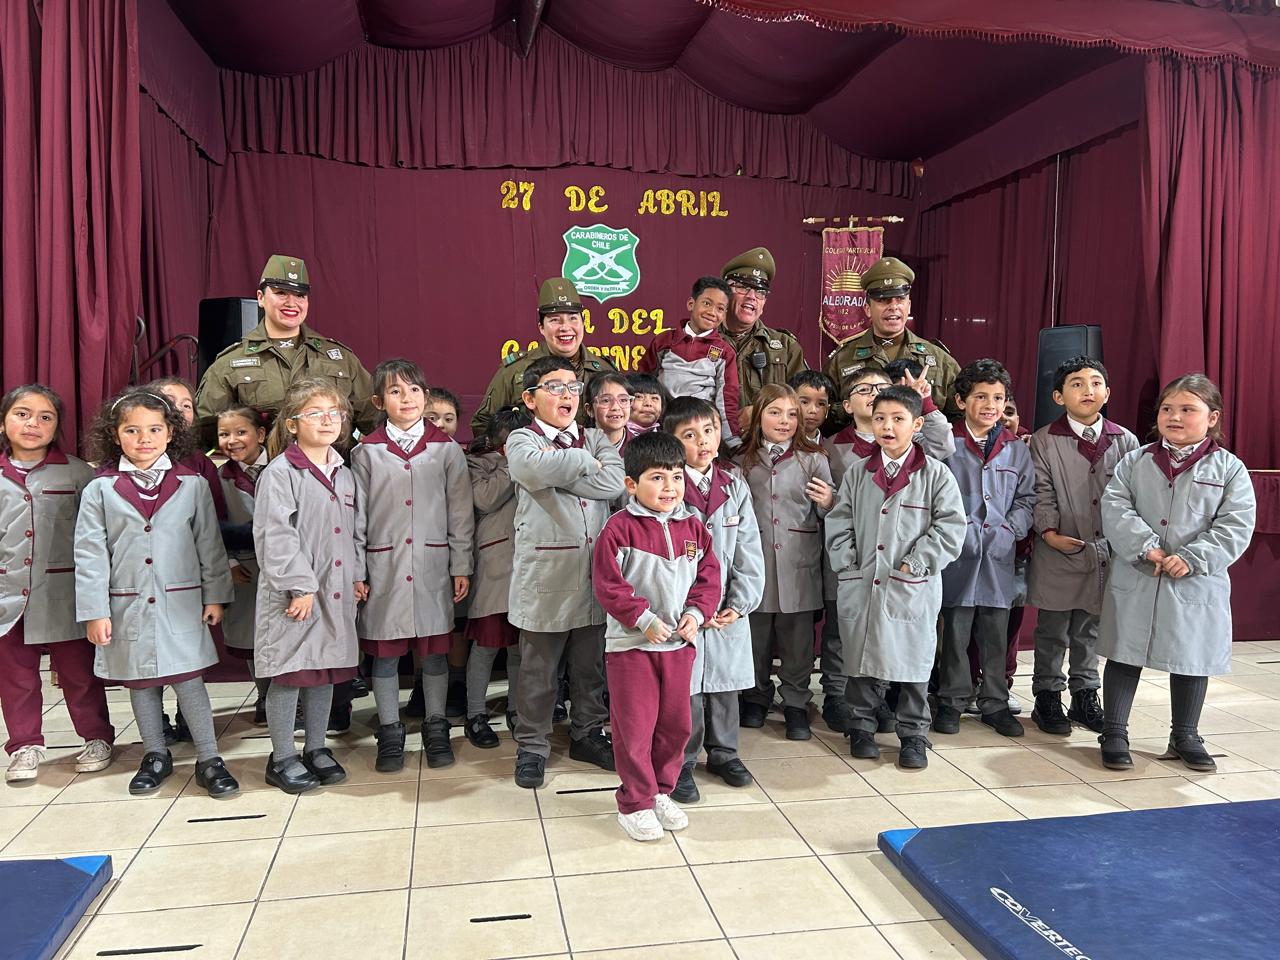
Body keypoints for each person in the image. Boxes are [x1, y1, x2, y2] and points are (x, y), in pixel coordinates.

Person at [76, 389, 237, 798]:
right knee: (141, 682)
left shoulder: (192, 484)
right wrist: (95, 610)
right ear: (115, 435)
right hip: (125, 602)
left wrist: (215, 595)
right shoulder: (100, 489)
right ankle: (155, 754)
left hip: (181, 602)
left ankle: (209, 758)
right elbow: (90, 553)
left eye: (154, 429)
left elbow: (209, 545)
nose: (144, 438)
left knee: (189, 680)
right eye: (132, 430)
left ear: (170, 433)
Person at [1097, 374, 1256, 773]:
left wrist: (1193, 557)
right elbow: (1115, 507)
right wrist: (1145, 545)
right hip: (1140, 572)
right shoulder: (1136, 461)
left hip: (1194, 580)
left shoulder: (1229, 469)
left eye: (1188, 409)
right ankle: (1114, 733)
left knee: (1191, 655)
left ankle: (1185, 735)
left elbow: (1236, 525)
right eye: (1167, 408)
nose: (1175, 417)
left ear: (1212, 417)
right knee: (1125, 651)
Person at [591, 431, 721, 840]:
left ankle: (661, 791)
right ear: (631, 484)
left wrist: (696, 614)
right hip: (632, 648)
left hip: (679, 647)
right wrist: (643, 619)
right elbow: (608, 586)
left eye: (677, 477)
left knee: (676, 725)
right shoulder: (618, 529)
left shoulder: (693, 526)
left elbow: (708, 578)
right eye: (657, 478)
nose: (670, 487)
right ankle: (635, 803)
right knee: (635, 727)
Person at [826, 386, 965, 769]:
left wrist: (916, 564)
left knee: (913, 664)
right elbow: (839, 520)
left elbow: (951, 528)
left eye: (898, 419)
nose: (887, 427)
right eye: (880, 418)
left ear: (916, 425)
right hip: (863, 583)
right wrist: (847, 562)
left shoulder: (936, 475)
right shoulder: (858, 472)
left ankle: (913, 734)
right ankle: (861, 727)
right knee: (861, 660)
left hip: (911, 587)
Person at [506, 356, 626, 788]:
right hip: (546, 572)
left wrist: (557, 468)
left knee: (589, 666)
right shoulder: (522, 438)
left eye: (573, 388)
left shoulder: (595, 437)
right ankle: (532, 746)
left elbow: (613, 484)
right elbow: (529, 468)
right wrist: (582, 463)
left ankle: (587, 734)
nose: (567, 395)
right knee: (538, 671)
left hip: (594, 572)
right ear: (530, 398)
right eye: (555, 387)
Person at [352, 360, 474, 773]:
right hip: (383, 566)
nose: (407, 399)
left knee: (435, 652)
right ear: (378, 402)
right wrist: (358, 570)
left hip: (432, 565)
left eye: (414, 390)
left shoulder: (446, 449)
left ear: (426, 395)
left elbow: (460, 514)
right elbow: (357, 517)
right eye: (395, 392)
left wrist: (461, 564)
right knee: (385, 655)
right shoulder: (366, 452)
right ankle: (390, 730)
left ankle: (436, 725)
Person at [1, 385, 114, 783]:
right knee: (15, 676)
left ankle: (97, 737)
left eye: (45, 417)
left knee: (78, 674)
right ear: (4, 422)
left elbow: (99, 535)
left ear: (57, 426)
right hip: (8, 596)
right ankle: (25, 744)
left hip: (65, 595)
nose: (33, 423)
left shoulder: (80, 474)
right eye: (22, 414)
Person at [254, 378, 362, 794]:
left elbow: (353, 531)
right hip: (296, 594)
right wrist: (300, 586)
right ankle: (282, 756)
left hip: (336, 590)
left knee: (324, 671)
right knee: (291, 672)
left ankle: (316, 748)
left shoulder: (344, 473)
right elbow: (275, 535)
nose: (327, 420)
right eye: (315, 413)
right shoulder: (281, 473)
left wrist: (357, 576)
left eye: (335, 413)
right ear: (293, 424)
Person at [1026, 358, 1139, 736]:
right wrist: (1049, 531)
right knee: (1053, 628)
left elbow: (1133, 496)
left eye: (1095, 383)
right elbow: (1040, 490)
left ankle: (1085, 695)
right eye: (1076, 384)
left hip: (1106, 552)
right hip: (1057, 547)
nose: (1087, 390)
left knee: (1091, 628)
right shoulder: (1044, 439)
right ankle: (1047, 695)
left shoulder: (1126, 441)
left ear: (1107, 392)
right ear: (1059, 396)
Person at [663, 398, 764, 803]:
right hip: (682, 610)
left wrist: (739, 603)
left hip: (725, 609)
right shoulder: (667, 488)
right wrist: (690, 608)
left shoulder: (733, 485)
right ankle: (682, 762)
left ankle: (724, 753)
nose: (703, 441)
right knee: (684, 690)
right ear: (672, 441)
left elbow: (748, 551)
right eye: (689, 435)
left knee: (725, 685)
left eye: (709, 430)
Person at [934, 360, 1036, 739]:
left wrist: (1010, 530)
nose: (991, 405)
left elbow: (1027, 499)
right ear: (961, 401)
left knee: (996, 634)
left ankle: (995, 702)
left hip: (999, 556)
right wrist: (955, 531)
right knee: (955, 633)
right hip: (957, 555)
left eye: (998, 398)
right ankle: (952, 700)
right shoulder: (947, 444)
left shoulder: (1016, 449)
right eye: (981, 396)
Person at [736, 384, 834, 741]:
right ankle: (756, 697)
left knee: (797, 644)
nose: (785, 421)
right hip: (755, 565)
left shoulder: (814, 458)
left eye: (792, 414)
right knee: (755, 640)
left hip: (799, 565)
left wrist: (829, 502)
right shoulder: (740, 459)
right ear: (758, 415)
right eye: (775, 412)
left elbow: (830, 513)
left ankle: (795, 702)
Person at [194, 254, 377, 446]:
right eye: (281, 293)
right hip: (264, 464)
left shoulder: (340, 358)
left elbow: (375, 421)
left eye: (300, 295)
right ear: (261, 298)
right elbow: (204, 434)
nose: (291, 303)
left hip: (333, 463)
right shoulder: (230, 363)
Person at [471, 278, 618, 437]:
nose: (565, 327)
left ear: (583, 323)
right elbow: (483, 424)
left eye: (573, 318)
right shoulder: (516, 372)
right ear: (541, 327)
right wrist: (516, 446)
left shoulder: (604, 371)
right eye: (555, 320)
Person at [464, 406, 533, 740]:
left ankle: (516, 709)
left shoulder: (539, 459)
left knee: (520, 647)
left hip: (529, 565)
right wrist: (513, 461)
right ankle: (475, 713)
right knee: (486, 646)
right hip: (494, 566)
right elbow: (485, 499)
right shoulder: (476, 463)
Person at [822, 257, 960, 415]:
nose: (893, 306)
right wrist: (863, 405)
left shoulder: (939, 360)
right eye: (883, 300)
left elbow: (959, 416)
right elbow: (825, 415)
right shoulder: (842, 360)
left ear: (909, 306)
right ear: (867, 309)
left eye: (900, 299)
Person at [639, 276, 742, 450]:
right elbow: (644, 383)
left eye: (720, 308)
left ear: (724, 315)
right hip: (665, 423)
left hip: (701, 424)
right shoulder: (664, 341)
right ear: (691, 304)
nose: (712, 312)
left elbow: (727, 399)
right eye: (707, 303)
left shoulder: (724, 352)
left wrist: (732, 441)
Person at [215, 404, 271, 723]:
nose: (232, 440)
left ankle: (289, 698)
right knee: (251, 636)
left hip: (282, 564)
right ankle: (264, 695)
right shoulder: (219, 478)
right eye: (224, 434)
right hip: (245, 567)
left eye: (241, 432)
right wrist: (231, 561)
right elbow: (212, 525)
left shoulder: (282, 466)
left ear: (260, 434)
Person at [719, 247, 807, 414]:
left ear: (764, 302)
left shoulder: (786, 347)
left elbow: (804, 403)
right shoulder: (701, 341)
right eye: (743, 287)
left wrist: (759, 414)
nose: (752, 296)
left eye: (760, 292)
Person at [586, 373, 635, 452]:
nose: (615, 407)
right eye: (606, 400)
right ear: (590, 410)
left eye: (623, 400)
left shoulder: (641, 447)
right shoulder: (577, 446)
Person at [788, 371, 836, 446]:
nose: (813, 410)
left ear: (827, 410)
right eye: (804, 402)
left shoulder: (832, 448)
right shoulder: (778, 447)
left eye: (821, 404)